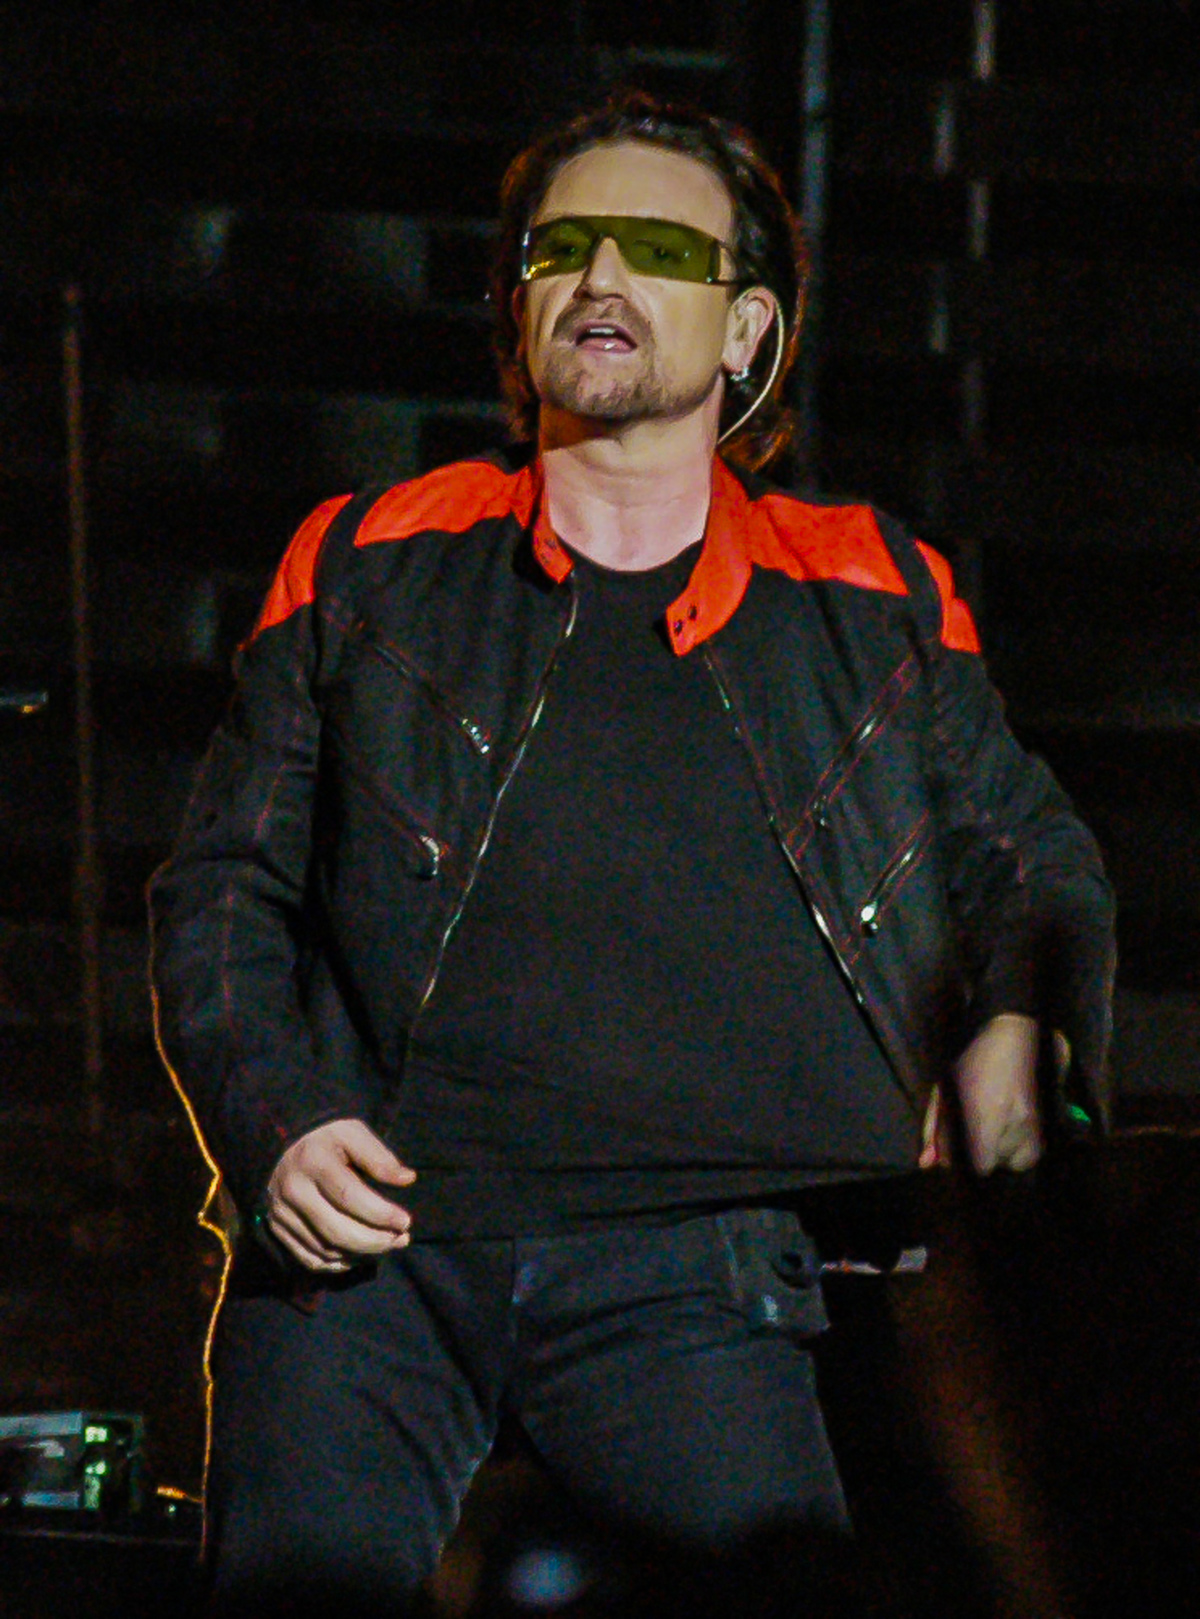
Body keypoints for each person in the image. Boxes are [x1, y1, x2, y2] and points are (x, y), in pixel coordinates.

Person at [149, 90, 1115, 1615]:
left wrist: (1016, 1029)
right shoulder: (366, 561)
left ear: (747, 330)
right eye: (564, 248)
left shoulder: (871, 592)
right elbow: (223, 894)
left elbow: (1033, 863)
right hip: (378, 1262)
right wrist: (270, 1123)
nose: (601, 277)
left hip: (706, 1276)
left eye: (658, 248)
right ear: (517, 301)